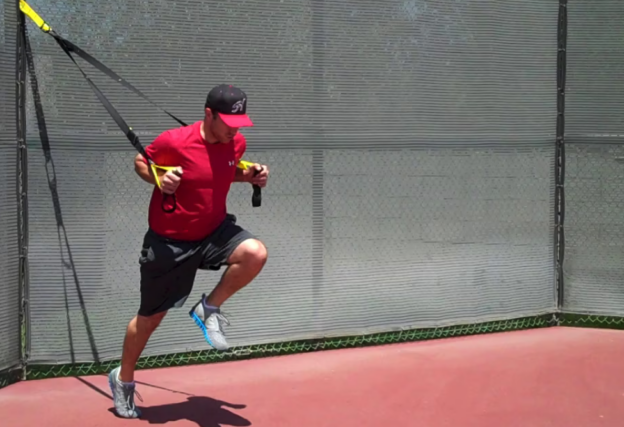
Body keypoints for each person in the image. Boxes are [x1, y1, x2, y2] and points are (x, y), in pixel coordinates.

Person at [108, 84, 270, 419]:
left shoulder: (235, 141)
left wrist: (251, 176)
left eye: (238, 122)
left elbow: (225, 170)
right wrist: (160, 178)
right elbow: (141, 162)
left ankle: (208, 308)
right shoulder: (174, 141)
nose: (234, 129)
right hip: (170, 243)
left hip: (213, 231)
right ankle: (123, 380)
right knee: (150, 319)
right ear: (208, 114)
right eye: (227, 121)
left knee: (254, 253)